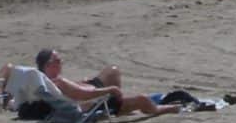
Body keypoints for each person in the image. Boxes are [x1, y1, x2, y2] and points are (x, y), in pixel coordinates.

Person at [29, 49, 181, 118]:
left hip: (88, 97)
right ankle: (162, 109)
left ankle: (119, 104)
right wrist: (111, 90)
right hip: (93, 102)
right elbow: (84, 95)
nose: (61, 62)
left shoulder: (44, 82)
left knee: (112, 71)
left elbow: (74, 93)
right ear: (48, 65)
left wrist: (81, 83)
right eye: (58, 61)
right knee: (142, 99)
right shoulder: (59, 82)